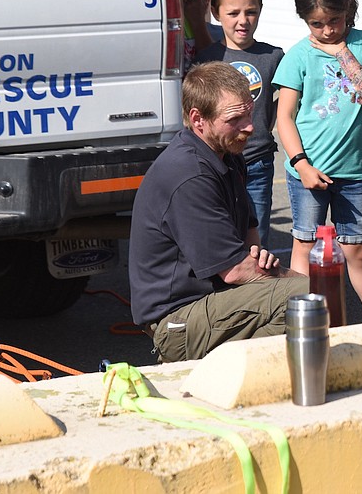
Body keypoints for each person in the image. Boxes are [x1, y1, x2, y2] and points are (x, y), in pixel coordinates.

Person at [128, 61, 308, 362]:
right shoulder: (190, 175)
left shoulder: (226, 153)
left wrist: (259, 259)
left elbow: (250, 233)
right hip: (179, 322)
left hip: (214, 300)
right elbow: (236, 271)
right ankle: (221, 376)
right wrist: (294, 280)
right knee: (304, 298)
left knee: (303, 295)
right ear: (198, 119)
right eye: (236, 118)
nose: (249, 126)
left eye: (249, 113)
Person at [274, 0, 362, 322]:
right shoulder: (297, 56)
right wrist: (302, 165)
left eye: (335, 21)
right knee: (305, 246)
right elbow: (284, 119)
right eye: (316, 24)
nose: (327, 31)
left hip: (352, 173)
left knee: (358, 251)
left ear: (346, 11)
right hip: (306, 171)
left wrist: (341, 52)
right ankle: (302, 324)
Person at [196, 0, 284, 248]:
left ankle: (258, 288)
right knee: (220, 238)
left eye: (251, 12)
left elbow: (286, 104)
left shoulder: (274, 56)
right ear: (215, 11)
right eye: (233, 13)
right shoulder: (207, 59)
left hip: (258, 162)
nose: (243, 21)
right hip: (216, 163)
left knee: (257, 240)